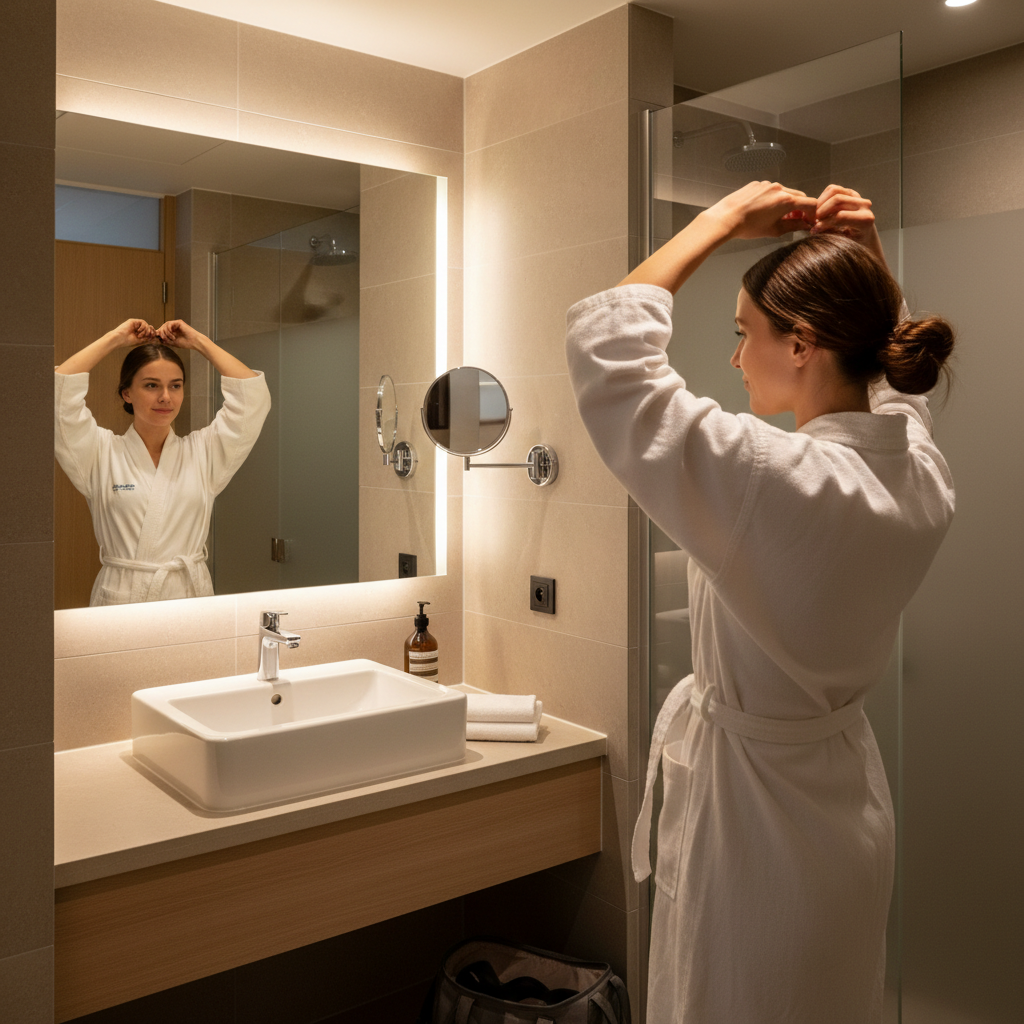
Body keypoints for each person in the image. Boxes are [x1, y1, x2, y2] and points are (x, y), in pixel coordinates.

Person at [565, 182, 955, 1023]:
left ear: (804, 344)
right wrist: (870, 259)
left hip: (754, 826)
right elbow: (901, 396)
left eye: (744, 335)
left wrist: (715, 225)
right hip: (844, 812)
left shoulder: (781, 480)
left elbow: (610, 358)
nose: (737, 359)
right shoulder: (918, 476)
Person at [55, 318, 271, 605]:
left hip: (188, 597)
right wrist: (116, 337)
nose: (166, 397)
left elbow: (252, 398)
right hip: (123, 599)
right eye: (151, 385)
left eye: (175, 386)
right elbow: (57, 398)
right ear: (127, 393)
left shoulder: (203, 453)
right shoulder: (100, 453)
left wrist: (198, 342)